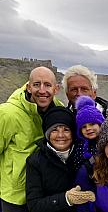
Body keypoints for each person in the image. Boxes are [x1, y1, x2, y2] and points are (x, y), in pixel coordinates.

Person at [0, 66, 64, 212]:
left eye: (47, 85)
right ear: (28, 87)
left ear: (56, 89)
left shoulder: (58, 109)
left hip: (46, 193)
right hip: (16, 197)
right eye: (36, 84)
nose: (42, 90)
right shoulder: (7, 114)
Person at [26, 106, 96, 212]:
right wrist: (66, 199)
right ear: (47, 134)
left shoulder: (84, 154)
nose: (60, 135)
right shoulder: (35, 161)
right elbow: (34, 205)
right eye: (54, 130)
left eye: (66, 130)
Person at [73, 95, 105, 171]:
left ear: (100, 125)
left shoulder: (107, 143)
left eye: (92, 124)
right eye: (84, 127)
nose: (88, 128)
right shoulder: (79, 146)